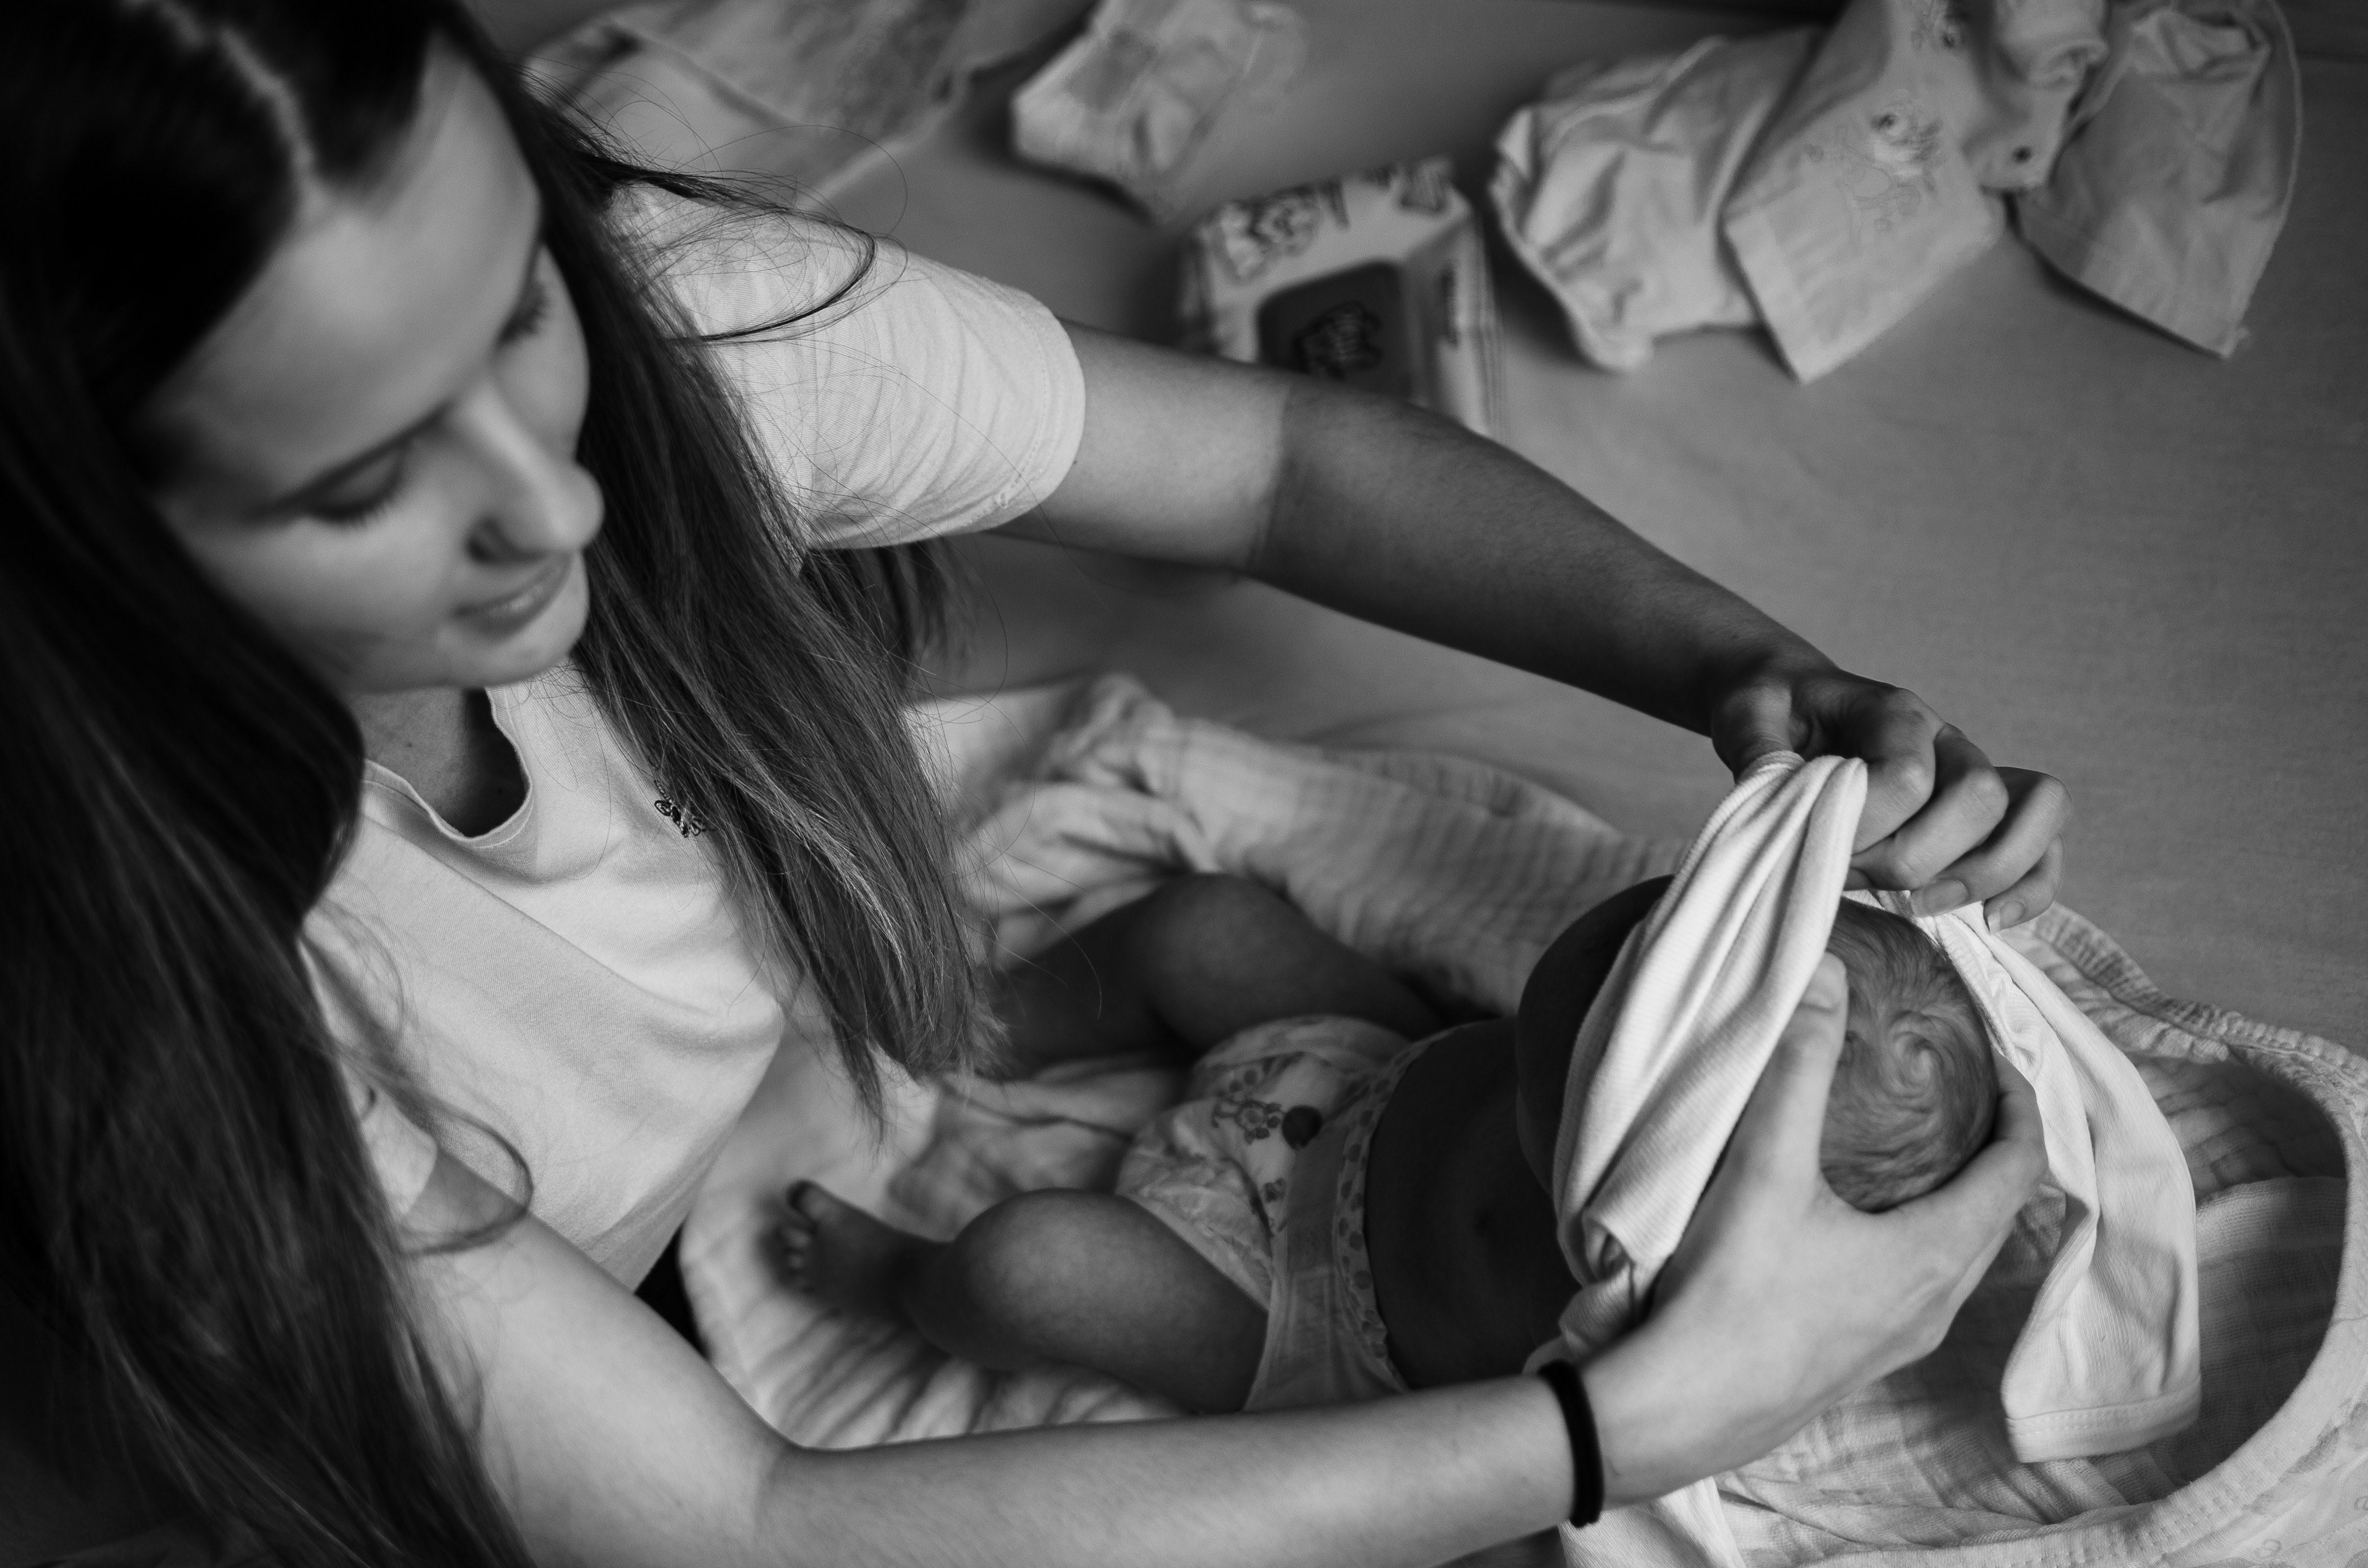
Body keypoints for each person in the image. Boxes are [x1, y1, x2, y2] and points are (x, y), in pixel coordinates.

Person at [0, 3, 2065, 1563]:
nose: (554, 496)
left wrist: (1755, 676)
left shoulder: (671, 354)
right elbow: (753, 1527)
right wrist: (1623, 1430)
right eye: (364, 482)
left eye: (521, 302)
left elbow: (1281, 465)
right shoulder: (142, 998)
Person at [778, 878, 1999, 1412]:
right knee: (1206, 925)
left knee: (1025, 1270)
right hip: (1372, 1067)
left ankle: (898, 1284)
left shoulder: (1659, 1301)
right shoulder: (1570, 1048)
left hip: (1285, 1303)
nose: (1634, 966)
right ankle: (995, 1019)